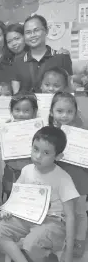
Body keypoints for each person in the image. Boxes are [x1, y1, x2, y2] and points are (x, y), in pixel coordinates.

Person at [0, 126, 79, 262]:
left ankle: (47, 256)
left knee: (31, 243)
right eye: (35, 149)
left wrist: (69, 252)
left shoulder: (63, 178)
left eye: (46, 153)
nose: (38, 156)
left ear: (58, 156)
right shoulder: (26, 170)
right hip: (27, 217)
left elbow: (70, 216)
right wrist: (8, 211)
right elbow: (16, 198)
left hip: (52, 222)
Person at [48, 92, 88, 258]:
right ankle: (61, 240)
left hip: (79, 176)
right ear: (51, 112)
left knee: (79, 211)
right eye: (60, 111)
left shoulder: (83, 132)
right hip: (57, 177)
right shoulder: (48, 131)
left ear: (76, 112)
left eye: (69, 111)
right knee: (60, 210)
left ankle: (79, 240)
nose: (64, 115)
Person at [11, 15, 72, 93]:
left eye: (36, 30)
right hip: (28, 104)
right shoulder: (18, 61)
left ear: (46, 31)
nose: (32, 35)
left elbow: (69, 89)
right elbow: (16, 93)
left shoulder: (62, 57)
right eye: (28, 32)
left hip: (55, 104)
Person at [2, 93, 38, 197]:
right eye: (17, 110)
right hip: (11, 171)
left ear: (34, 112)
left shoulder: (39, 129)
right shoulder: (6, 128)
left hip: (32, 172)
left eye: (26, 110)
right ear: (11, 111)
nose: (21, 114)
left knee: (28, 198)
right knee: (10, 197)